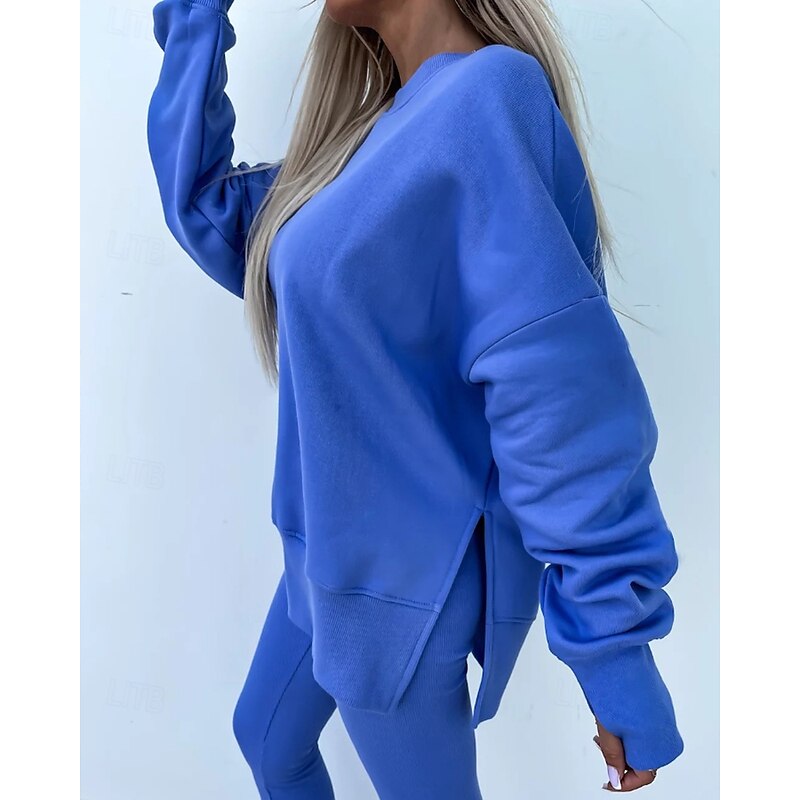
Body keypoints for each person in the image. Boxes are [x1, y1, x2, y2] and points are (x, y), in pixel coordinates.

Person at [147, 0, 684, 796]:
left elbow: (560, 400)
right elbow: (210, 210)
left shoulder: (487, 98)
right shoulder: (366, 139)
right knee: (266, 739)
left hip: (403, 594)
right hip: (327, 561)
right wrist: (196, 17)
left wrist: (617, 664)